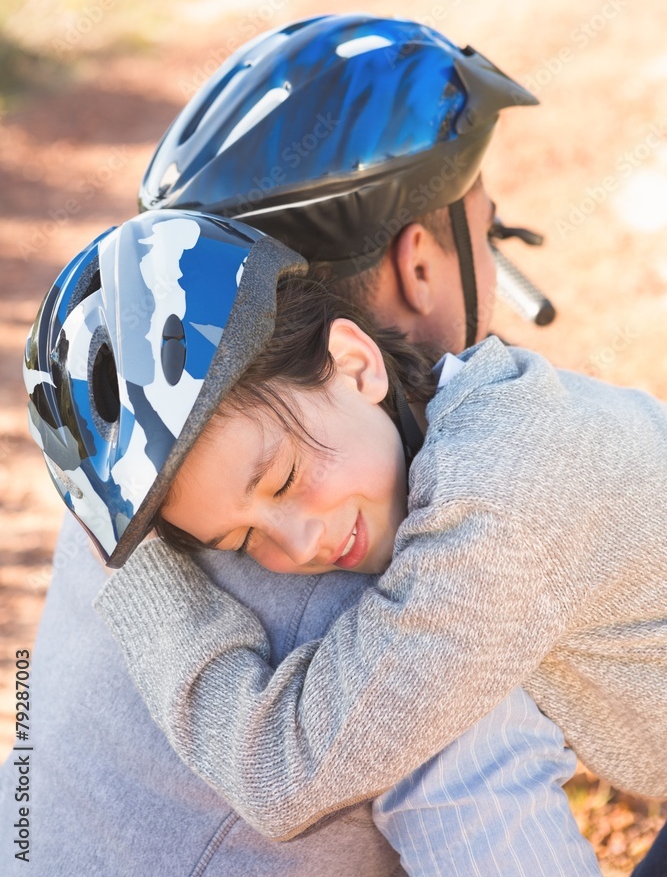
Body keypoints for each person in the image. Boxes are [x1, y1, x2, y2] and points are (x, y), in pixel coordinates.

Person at [4, 15, 603, 876]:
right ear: (420, 264)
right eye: (484, 221)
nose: (291, 545)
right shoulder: (417, 602)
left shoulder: (134, 477)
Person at [24, 206, 667, 871]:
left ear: (355, 365)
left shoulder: (497, 498)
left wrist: (136, 574)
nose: (298, 545)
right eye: (242, 539)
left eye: (283, 480)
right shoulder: (453, 427)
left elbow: (282, 777)